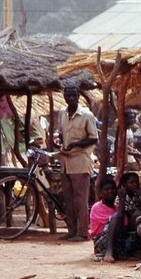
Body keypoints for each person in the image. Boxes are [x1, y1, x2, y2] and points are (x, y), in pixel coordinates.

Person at [57, 84, 98, 242]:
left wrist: (76, 145)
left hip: (81, 160)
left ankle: (82, 232)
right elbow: (61, 134)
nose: (71, 98)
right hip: (66, 161)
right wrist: (60, 143)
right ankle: (71, 230)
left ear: (78, 96)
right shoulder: (62, 114)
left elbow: (93, 138)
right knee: (68, 198)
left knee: (80, 199)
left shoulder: (87, 115)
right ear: (65, 97)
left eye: (74, 95)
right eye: (68, 96)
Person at [98, 172, 141, 263]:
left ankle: (137, 249)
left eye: (137, 183)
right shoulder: (119, 198)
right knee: (134, 215)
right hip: (114, 233)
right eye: (132, 183)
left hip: (129, 229)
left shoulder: (139, 197)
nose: (135, 185)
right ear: (124, 184)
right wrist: (123, 200)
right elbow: (121, 216)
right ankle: (109, 251)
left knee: (140, 217)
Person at [89, 177, 118, 261]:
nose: (110, 191)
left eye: (113, 189)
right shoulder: (97, 207)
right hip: (101, 240)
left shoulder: (117, 208)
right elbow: (110, 224)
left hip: (116, 239)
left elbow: (125, 223)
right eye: (107, 189)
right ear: (101, 193)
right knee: (114, 221)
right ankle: (108, 252)